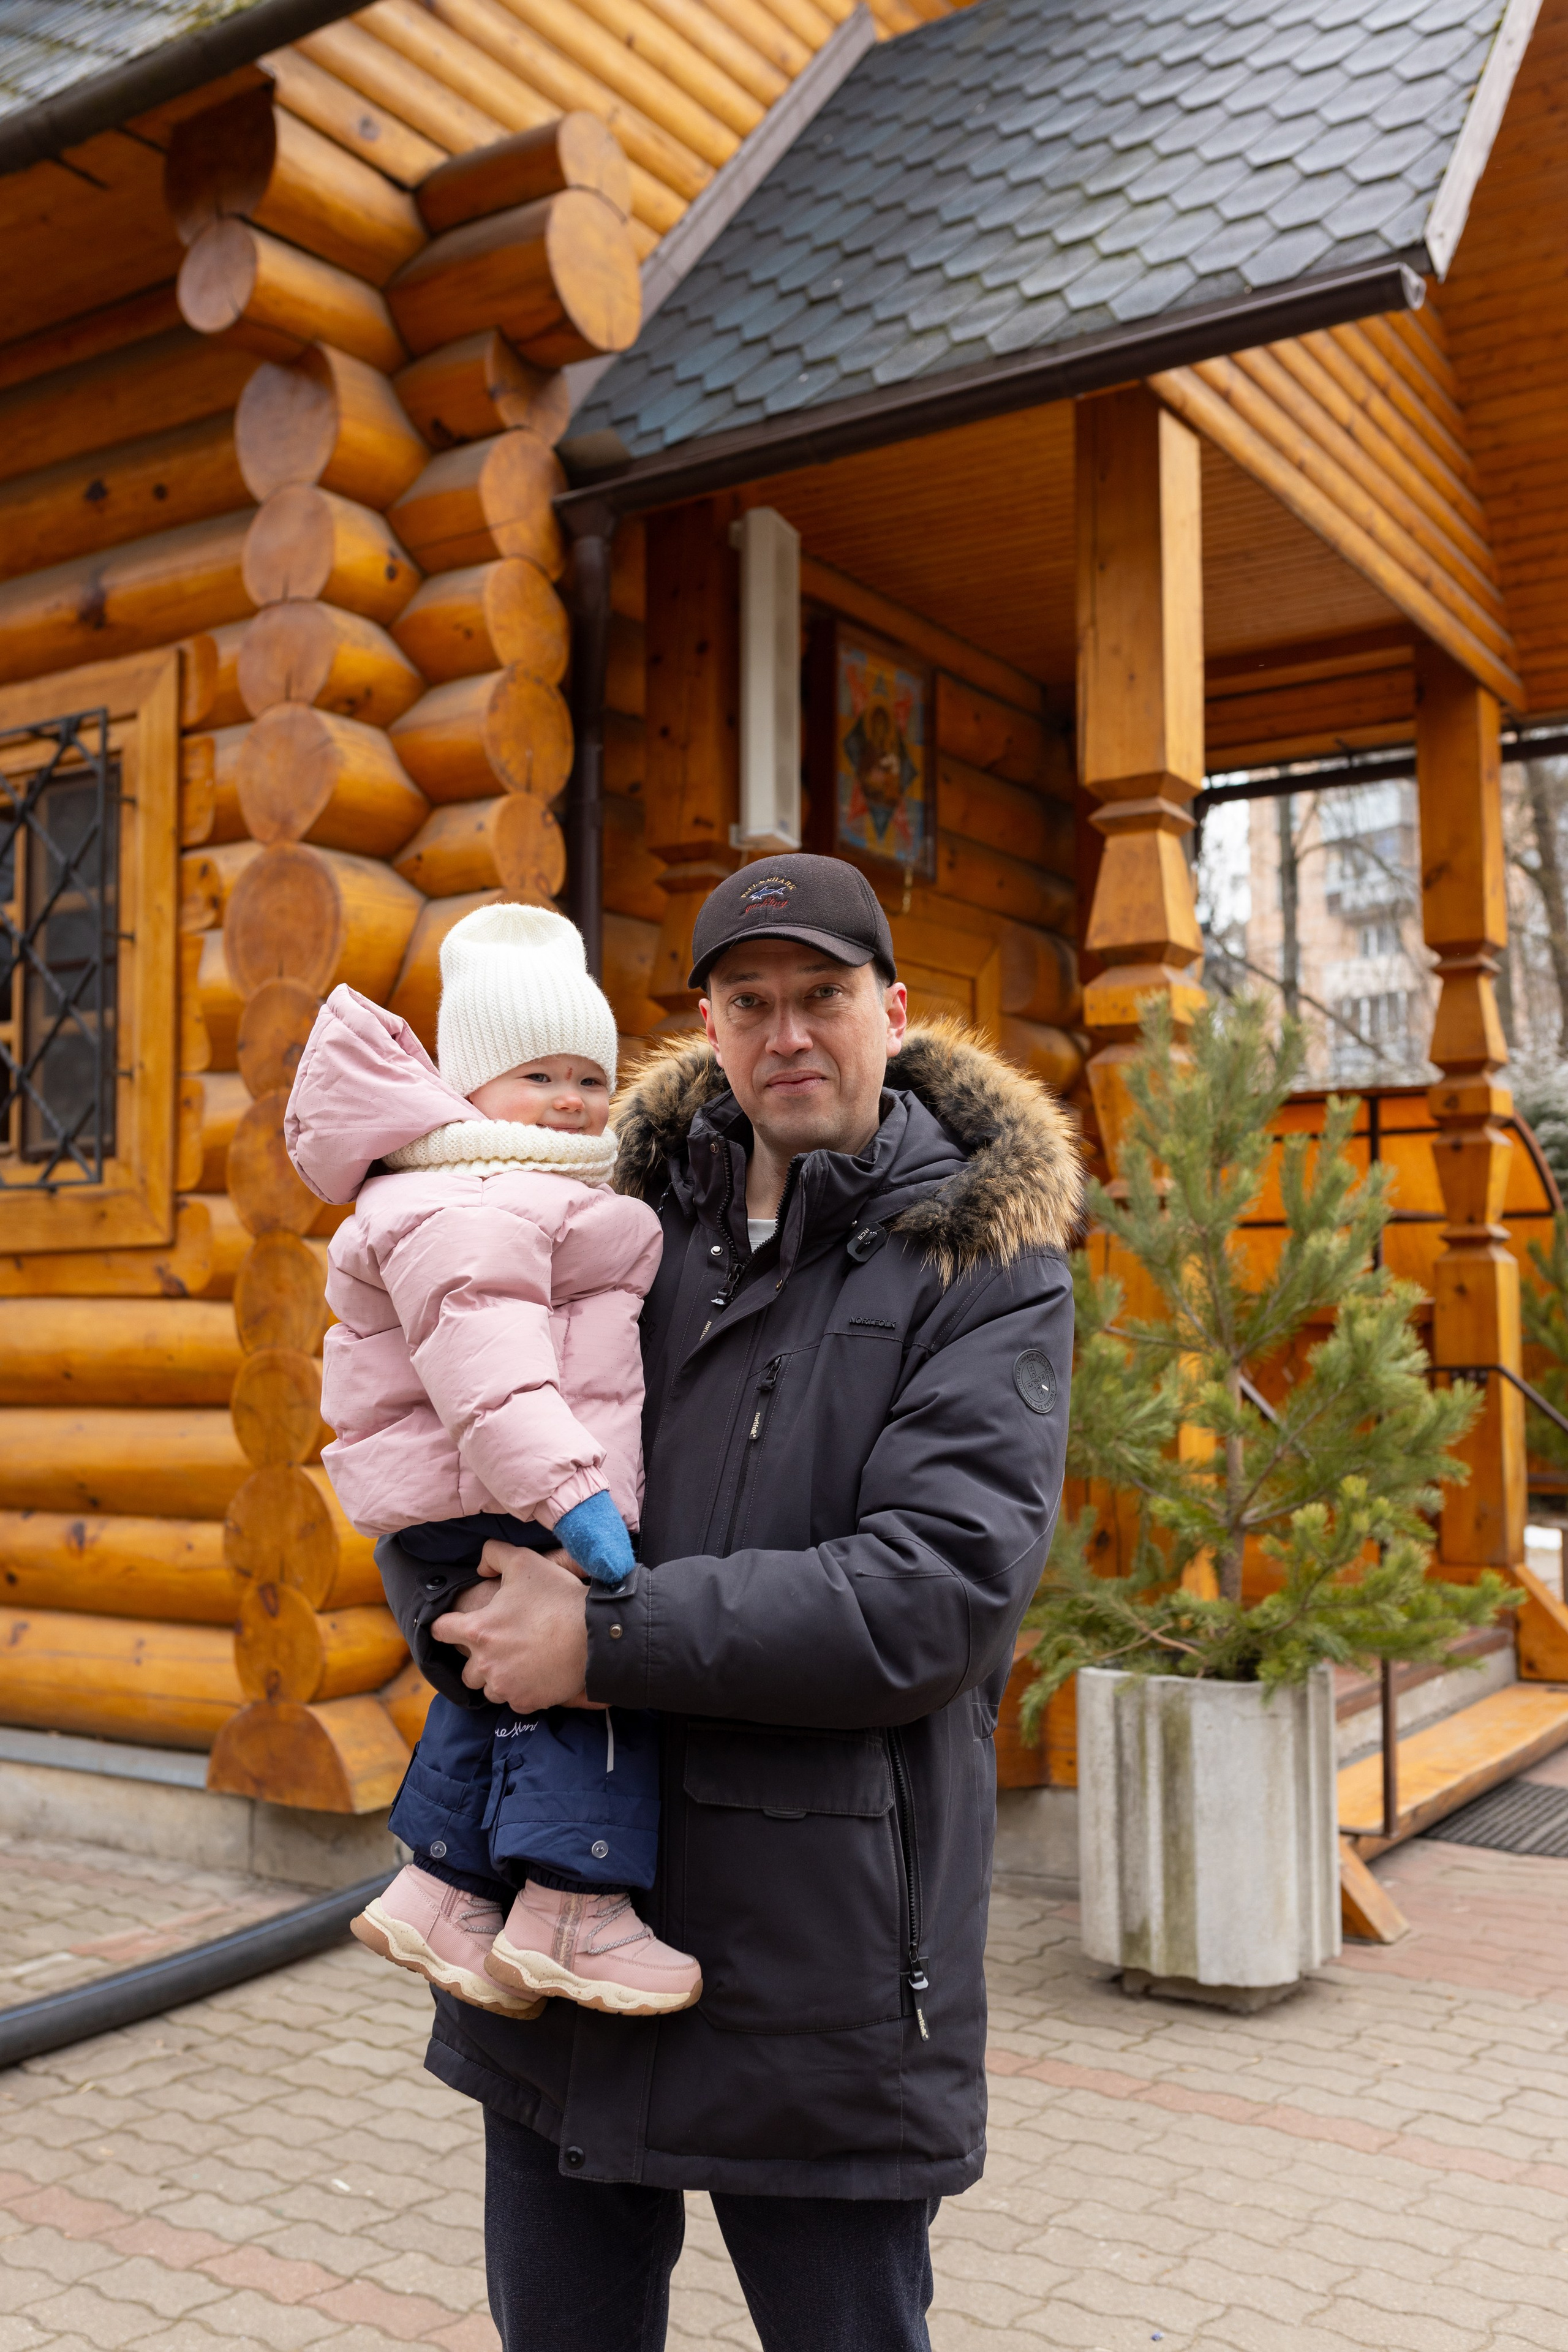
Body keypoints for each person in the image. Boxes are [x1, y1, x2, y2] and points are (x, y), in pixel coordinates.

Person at [372, 854, 1081, 2352]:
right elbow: (445, 1461)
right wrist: (450, 1608)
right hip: (560, 1926)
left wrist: (597, 1640)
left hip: (815, 1961)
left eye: (821, 996)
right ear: (706, 1020)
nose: (787, 1035)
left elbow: (933, 1596)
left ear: (890, 1009)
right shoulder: (598, 1222)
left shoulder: (980, 1259)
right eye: (749, 1003)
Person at [284, 902, 702, 2022]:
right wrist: (580, 1506)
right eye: (537, 1076)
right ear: (470, 1089)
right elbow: (492, 1373)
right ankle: (577, 1906)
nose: (570, 1101)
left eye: (587, 1077)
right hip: (509, 1482)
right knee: (585, 1674)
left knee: (496, 1684)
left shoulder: (508, 1177)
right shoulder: (478, 1194)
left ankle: (444, 1886)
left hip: (484, 1485)